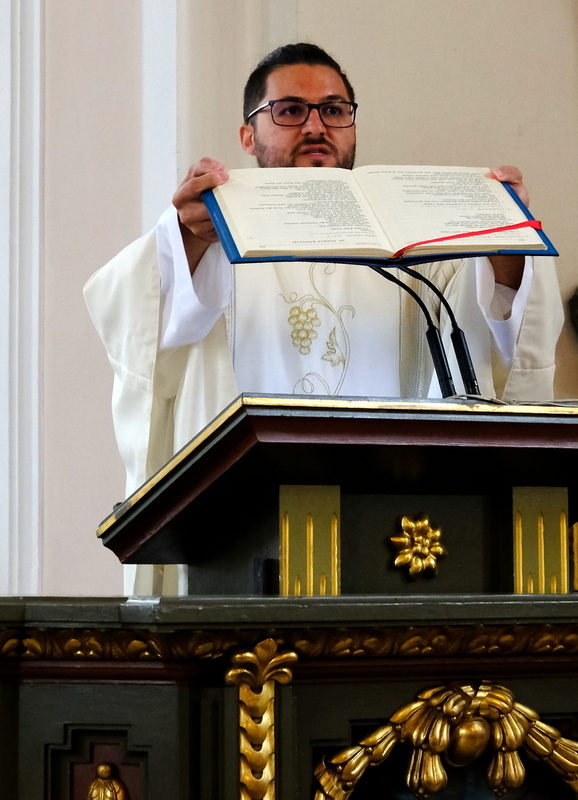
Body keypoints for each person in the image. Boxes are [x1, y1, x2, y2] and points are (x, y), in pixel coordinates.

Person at [84, 44, 563, 594]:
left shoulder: (417, 243)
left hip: (393, 526)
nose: (316, 126)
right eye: (290, 110)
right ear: (248, 136)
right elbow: (143, 326)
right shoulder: (211, 236)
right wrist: (187, 239)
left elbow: (495, 339)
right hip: (243, 528)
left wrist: (505, 242)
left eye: (334, 110)